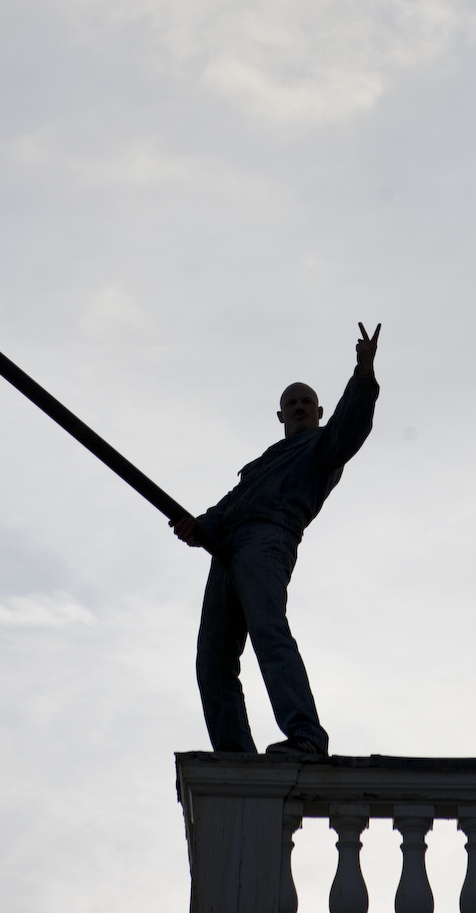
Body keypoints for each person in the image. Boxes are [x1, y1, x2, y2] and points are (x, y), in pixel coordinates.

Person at [173, 321, 381, 758]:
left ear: (320, 412)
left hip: (268, 540)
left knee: (269, 632)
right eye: (292, 402)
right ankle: (234, 755)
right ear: (280, 415)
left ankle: (306, 737)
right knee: (212, 662)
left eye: (307, 401)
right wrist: (200, 525)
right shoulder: (264, 462)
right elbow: (230, 503)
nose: (300, 407)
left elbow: (352, 425)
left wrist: (363, 377)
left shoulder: (324, 447)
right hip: (225, 549)